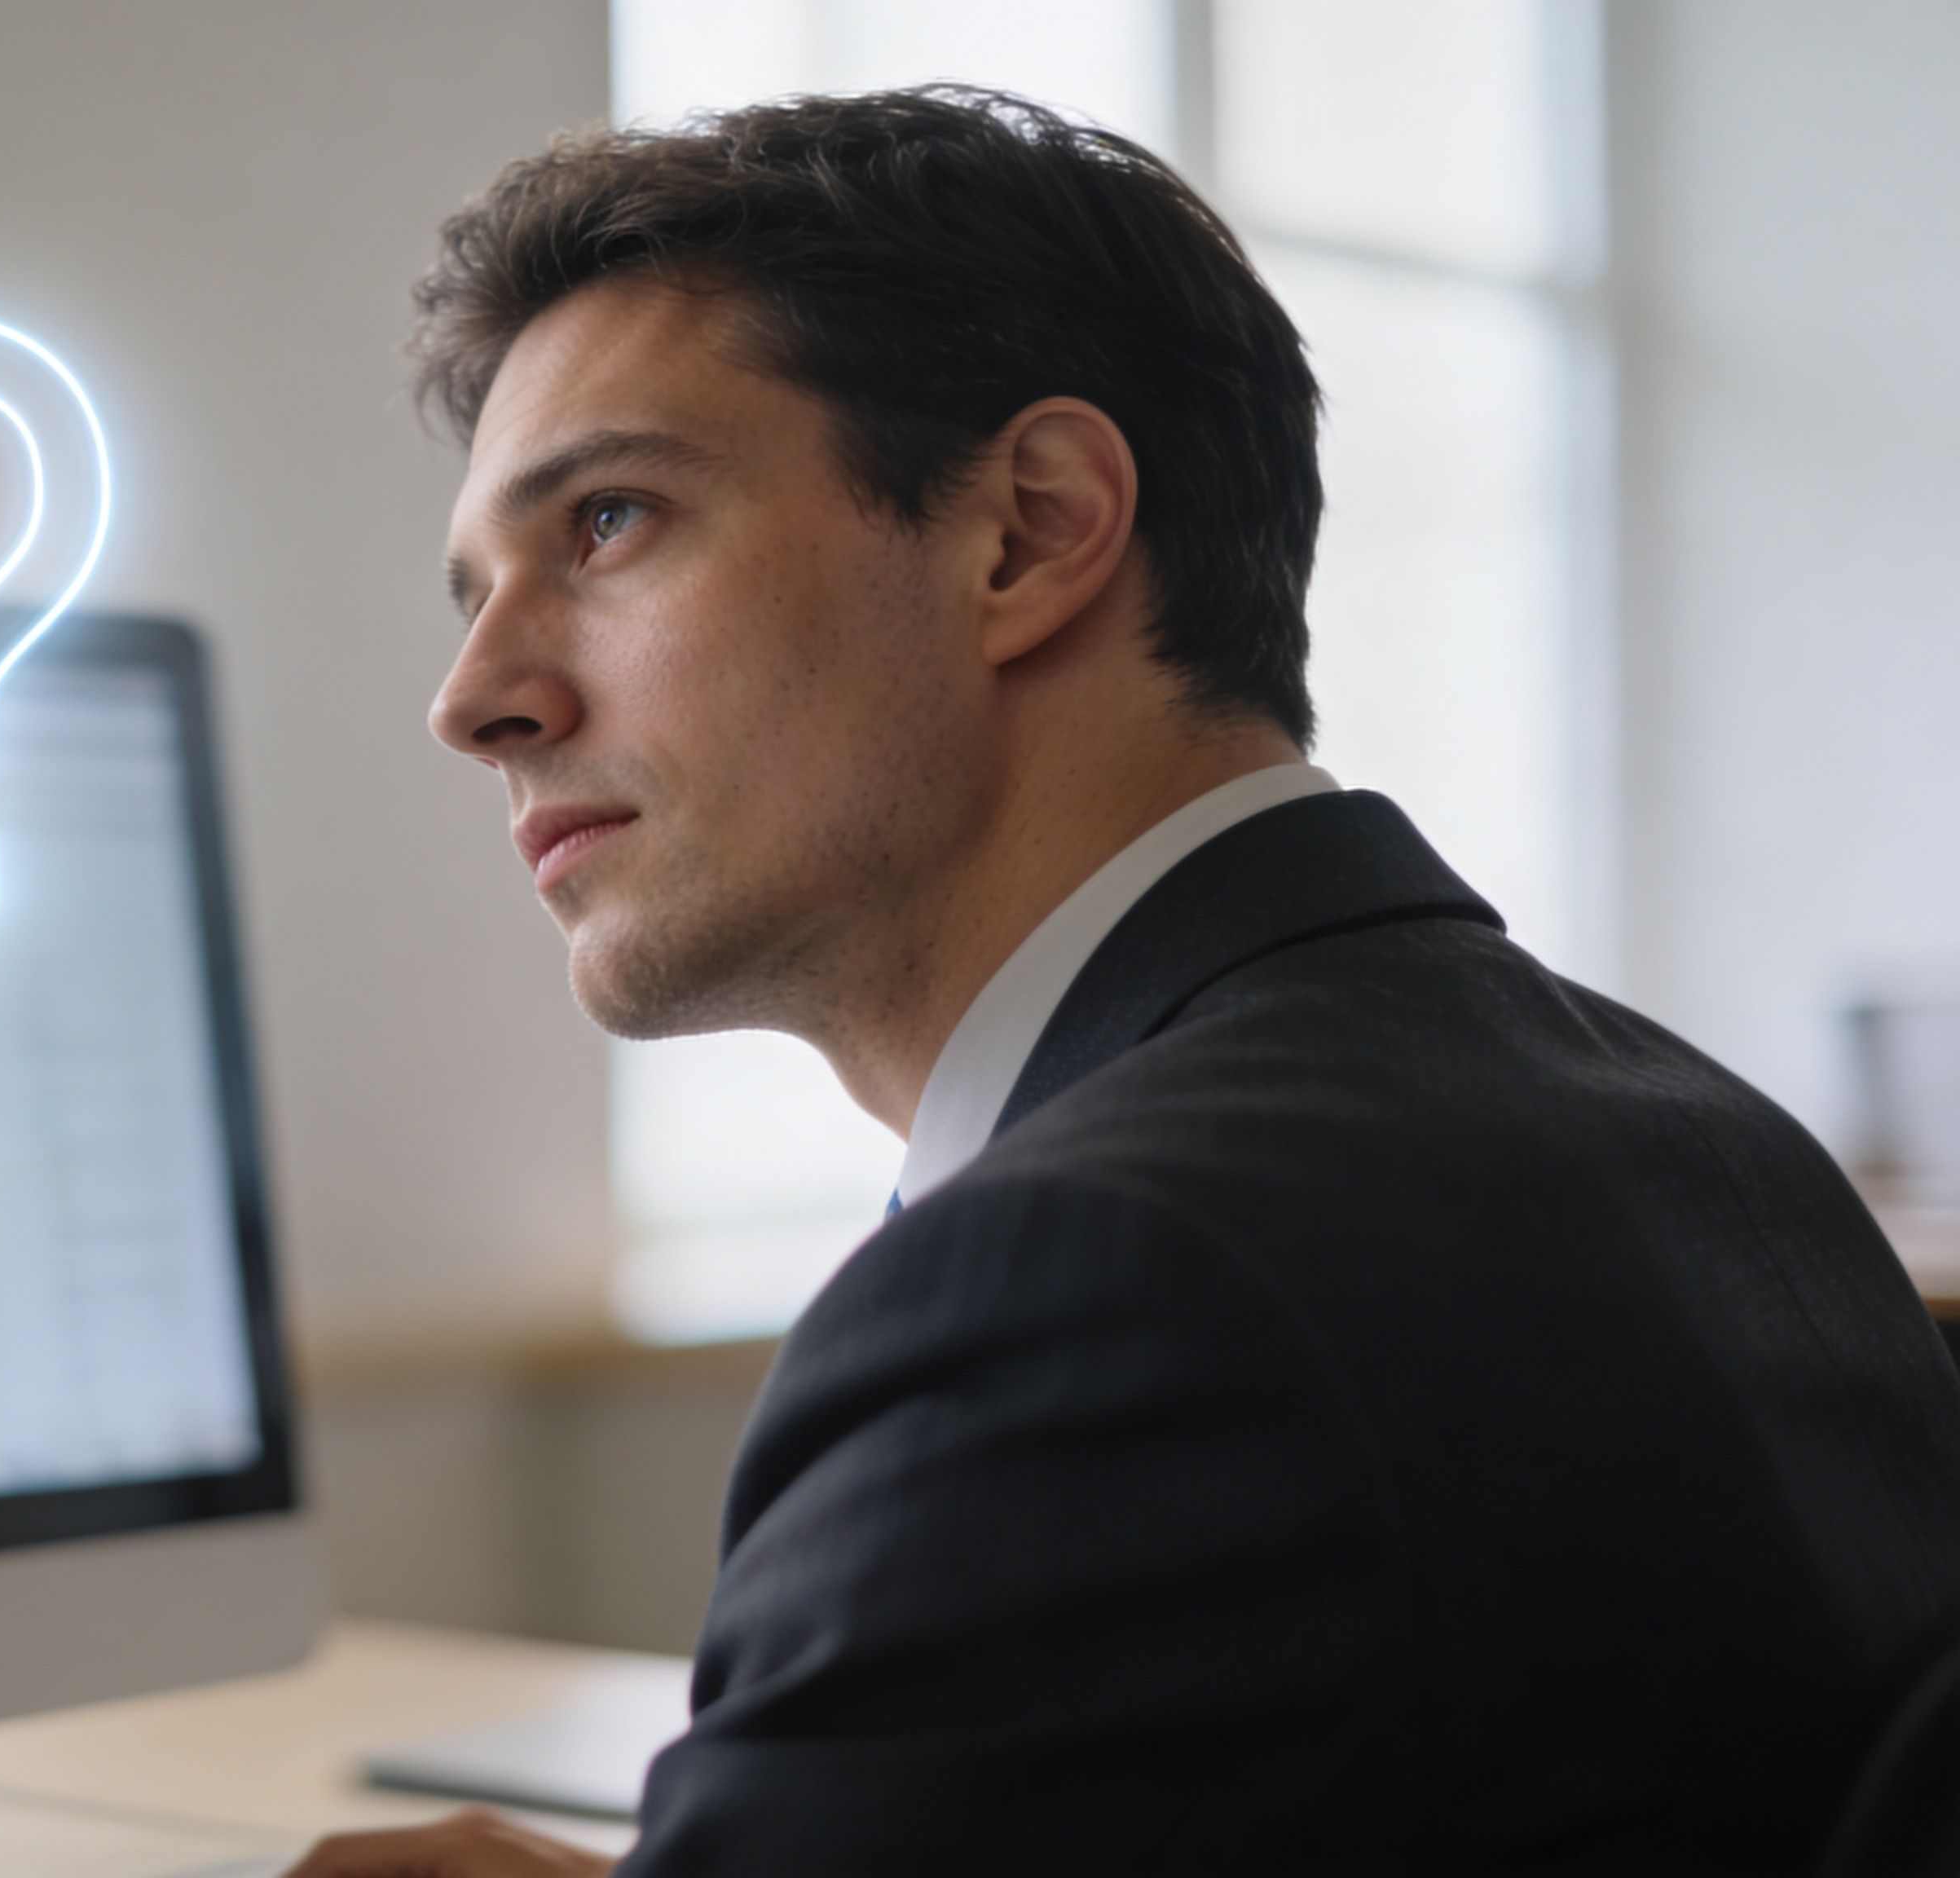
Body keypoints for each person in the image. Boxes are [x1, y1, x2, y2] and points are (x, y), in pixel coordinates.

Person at [287, 90, 1960, 1876]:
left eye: (607, 521)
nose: (474, 700)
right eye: (474, 591)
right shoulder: (1698, 1142)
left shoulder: (1092, 1289)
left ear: (1026, 528)